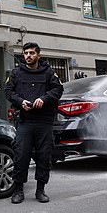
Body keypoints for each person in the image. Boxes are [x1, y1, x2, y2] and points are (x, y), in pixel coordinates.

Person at [5, 42, 63, 204]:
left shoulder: (49, 73)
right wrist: (20, 102)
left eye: (31, 53)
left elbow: (58, 90)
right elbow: (8, 92)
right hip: (25, 120)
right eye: (26, 53)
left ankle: (40, 190)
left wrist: (43, 99)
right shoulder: (17, 73)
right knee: (21, 155)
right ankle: (18, 190)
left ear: (38, 55)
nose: (28, 56)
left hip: (44, 121)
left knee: (44, 156)